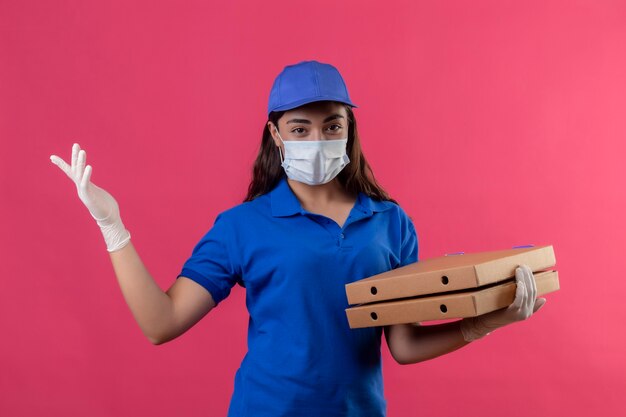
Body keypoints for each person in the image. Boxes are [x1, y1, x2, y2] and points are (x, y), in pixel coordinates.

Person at [50, 60, 546, 417]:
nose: (317, 140)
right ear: (276, 133)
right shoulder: (242, 226)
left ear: (350, 129)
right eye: (300, 127)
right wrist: (112, 226)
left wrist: (489, 320)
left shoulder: (391, 222)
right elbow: (161, 322)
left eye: (332, 125)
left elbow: (404, 344)